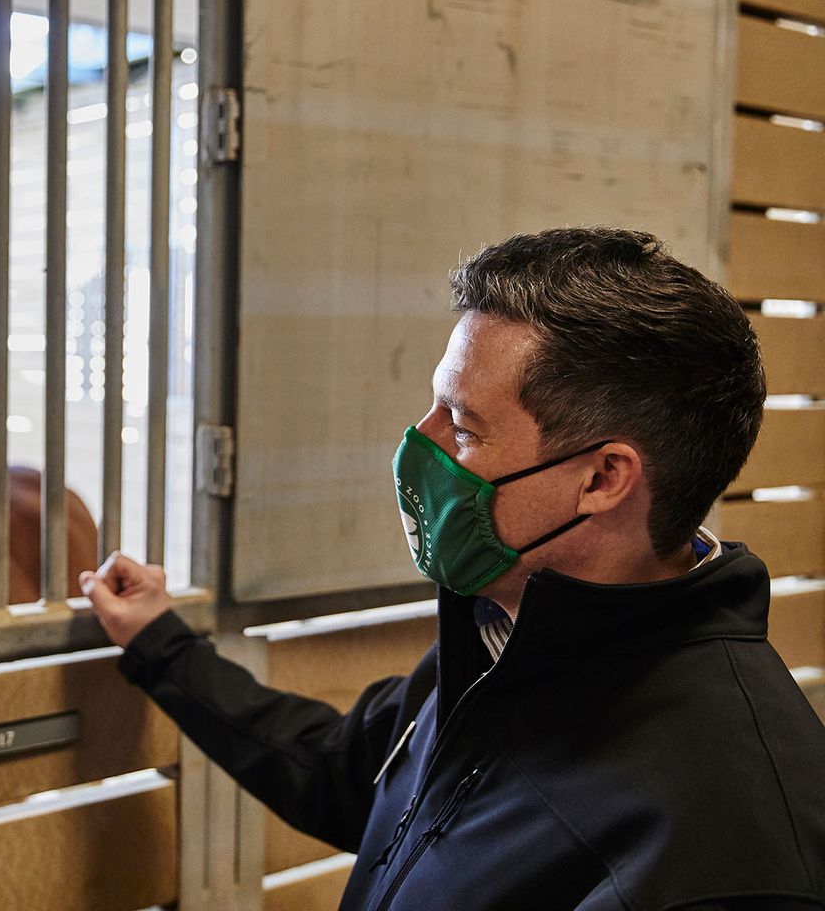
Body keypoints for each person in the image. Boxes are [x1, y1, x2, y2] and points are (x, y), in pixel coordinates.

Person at [82, 228, 825, 911]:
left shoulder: (732, 837)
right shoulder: (507, 633)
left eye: (463, 426)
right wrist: (163, 644)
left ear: (602, 479)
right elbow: (352, 778)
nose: (420, 442)